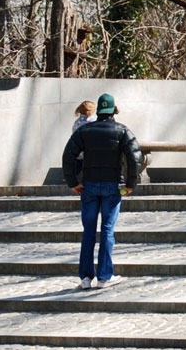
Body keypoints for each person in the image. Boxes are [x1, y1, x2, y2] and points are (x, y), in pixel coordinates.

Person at [61, 93, 142, 290]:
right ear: (114, 111)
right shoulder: (122, 130)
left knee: (88, 231)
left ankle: (85, 277)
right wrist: (130, 184)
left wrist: (73, 182)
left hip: (89, 185)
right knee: (107, 229)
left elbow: (68, 156)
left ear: (98, 110)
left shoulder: (84, 131)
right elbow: (135, 157)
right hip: (112, 186)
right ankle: (105, 276)